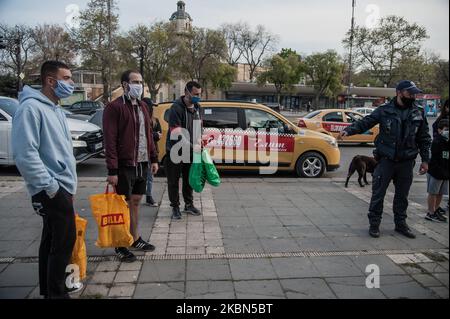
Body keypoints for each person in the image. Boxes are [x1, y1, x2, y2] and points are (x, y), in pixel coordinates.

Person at [12, 61, 79, 298]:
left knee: (52, 240)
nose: (72, 83)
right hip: (51, 188)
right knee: (63, 242)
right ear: (51, 81)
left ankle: (50, 291)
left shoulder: (55, 108)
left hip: (62, 186)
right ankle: (57, 293)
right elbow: (24, 153)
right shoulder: (31, 108)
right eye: (67, 78)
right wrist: (50, 187)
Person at [339, 80, 432, 239]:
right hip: (386, 161)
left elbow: (424, 138)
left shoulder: (418, 112)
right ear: (399, 92)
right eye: (410, 93)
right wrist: (348, 130)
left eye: (414, 93)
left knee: (402, 196)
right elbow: (365, 122)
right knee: (378, 194)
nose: (413, 96)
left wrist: (425, 160)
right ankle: (374, 225)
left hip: (406, 162)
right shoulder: (384, 110)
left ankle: (400, 224)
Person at [103, 70, 159, 262]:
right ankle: (120, 244)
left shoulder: (143, 106)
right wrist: (112, 169)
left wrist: (154, 158)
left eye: (141, 82)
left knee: (135, 202)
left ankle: (135, 239)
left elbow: (148, 134)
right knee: (122, 206)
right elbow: (109, 140)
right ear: (125, 85)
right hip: (124, 165)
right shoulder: (114, 108)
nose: (139, 85)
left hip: (142, 164)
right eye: (135, 82)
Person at [166, 81, 203, 220]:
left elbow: (199, 127)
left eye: (199, 94)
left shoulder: (198, 108)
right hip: (175, 150)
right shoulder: (176, 108)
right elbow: (176, 132)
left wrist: (200, 140)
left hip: (191, 152)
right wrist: (192, 145)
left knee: (189, 179)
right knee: (173, 181)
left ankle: (188, 204)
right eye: (195, 94)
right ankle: (175, 207)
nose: (198, 97)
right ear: (187, 92)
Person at [425, 119, 449, 222]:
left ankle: (435, 210)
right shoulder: (437, 141)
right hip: (436, 172)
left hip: (446, 172)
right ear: (439, 130)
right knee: (433, 192)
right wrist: (439, 171)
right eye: (446, 129)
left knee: (441, 193)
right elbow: (433, 159)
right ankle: (430, 212)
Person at [142, 97, 162, 207]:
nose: (151, 109)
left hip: (152, 151)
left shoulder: (155, 120)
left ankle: (148, 196)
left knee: (150, 176)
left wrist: (154, 136)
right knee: (140, 176)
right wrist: (154, 135)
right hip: (141, 152)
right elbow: (143, 136)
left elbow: (158, 135)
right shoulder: (140, 119)